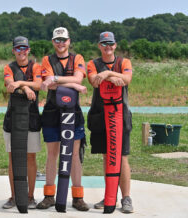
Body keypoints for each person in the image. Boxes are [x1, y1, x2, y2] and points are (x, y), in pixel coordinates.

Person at [37, 27, 89, 211]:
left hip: (73, 112)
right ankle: (49, 195)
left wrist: (56, 79)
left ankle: (77, 197)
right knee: (52, 154)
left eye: (63, 40)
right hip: (52, 111)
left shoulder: (78, 58)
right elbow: (49, 86)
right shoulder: (47, 60)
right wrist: (73, 83)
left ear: (69, 41)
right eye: (57, 40)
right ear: (53, 42)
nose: (60, 43)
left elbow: (79, 79)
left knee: (74, 155)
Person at [87, 31, 133, 213]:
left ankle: (126, 198)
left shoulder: (124, 62)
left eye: (111, 44)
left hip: (121, 115)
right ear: (99, 45)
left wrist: (106, 73)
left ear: (115, 45)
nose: (108, 47)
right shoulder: (92, 63)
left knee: (121, 157)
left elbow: (127, 79)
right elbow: (93, 81)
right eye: (104, 44)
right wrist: (113, 77)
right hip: (100, 115)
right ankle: (110, 195)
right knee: (108, 157)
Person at [1, 36, 42, 210]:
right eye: (18, 48)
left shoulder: (36, 66)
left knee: (30, 157)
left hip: (31, 117)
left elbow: (39, 85)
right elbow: (10, 85)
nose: (21, 52)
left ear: (29, 50)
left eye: (24, 48)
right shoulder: (8, 67)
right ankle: (14, 195)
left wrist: (21, 83)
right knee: (13, 158)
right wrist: (25, 87)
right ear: (13, 51)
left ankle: (30, 196)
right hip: (13, 118)